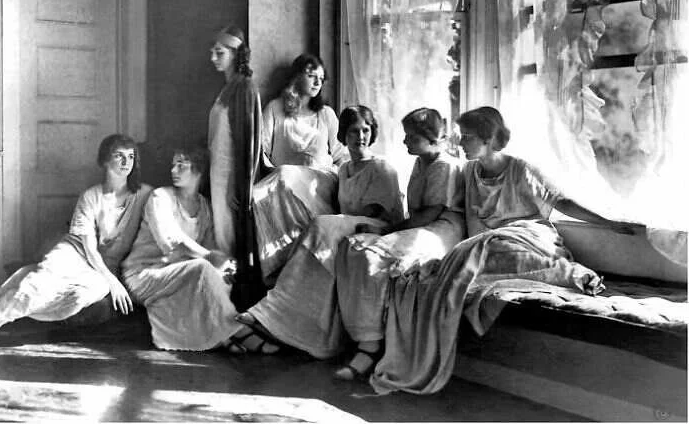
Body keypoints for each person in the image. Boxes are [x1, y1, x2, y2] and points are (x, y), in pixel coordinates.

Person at [369, 106, 639, 395]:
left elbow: (561, 202)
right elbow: (448, 211)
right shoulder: (468, 172)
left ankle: (572, 274)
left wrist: (607, 222)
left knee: (489, 248)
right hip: (490, 245)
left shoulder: (520, 169)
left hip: (530, 237)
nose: (460, 142)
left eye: (467, 137)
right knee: (470, 254)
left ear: (488, 139)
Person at [236, 105, 404, 358]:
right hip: (351, 224)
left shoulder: (381, 167)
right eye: (353, 131)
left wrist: (336, 225)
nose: (360, 136)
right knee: (312, 245)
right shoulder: (344, 170)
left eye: (366, 130)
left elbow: (380, 214)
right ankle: (282, 319)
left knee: (321, 225)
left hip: (378, 228)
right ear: (343, 135)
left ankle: (272, 311)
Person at [333, 107, 467, 381]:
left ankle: (370, 348)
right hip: (423, 225)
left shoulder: (444, 166)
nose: (405, 141)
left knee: (373, 254)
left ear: (431, 138)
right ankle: (364, 336)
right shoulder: (421, 162)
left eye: (412, 137)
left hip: (443, 230)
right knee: (354, 247)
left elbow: (430, 214)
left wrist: (386, 231)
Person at [121, 146, 278, 353]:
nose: (173, 170)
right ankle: (238, 331)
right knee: (203, 268)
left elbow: (212, 247)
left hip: (178, 274)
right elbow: (171, 242)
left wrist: (223, 266)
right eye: (173, 165)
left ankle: (220, 336)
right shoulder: (160, 197)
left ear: (199, 170)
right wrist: (210, 256)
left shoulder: (205, 207)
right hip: (143, 274)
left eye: (181, 165)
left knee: (220, 277)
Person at [0, 134, 152, 331]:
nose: (126, 162)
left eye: (131, 156)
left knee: (86, 294)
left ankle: (12, 309)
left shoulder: (145, 195)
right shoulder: (90, 196)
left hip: (103, 268)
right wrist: (114, 283)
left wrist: (113, 280)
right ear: (104, 160)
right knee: (37, 285)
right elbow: (89, 249)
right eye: (119, 155)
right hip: (75, 253)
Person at [253, 53, 349, 285]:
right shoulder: (275, 108)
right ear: (296, 76)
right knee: (259, 195)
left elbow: (341, 155)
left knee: (285, 176)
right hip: (283, 180)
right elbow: (260, 149)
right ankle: (282, 266)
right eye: (311, 75)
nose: (317, 82)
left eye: (321, 78)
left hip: (320, 182)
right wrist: (272, 171)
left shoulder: (326, 114)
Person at [207, 25, 263, 307]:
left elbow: (249, 141)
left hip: (231, 176)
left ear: (235, 54)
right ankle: (223, 301)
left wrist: (239, 186)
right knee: (221, 234)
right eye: (213, 52)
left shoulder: (244, 87)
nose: (213, 58)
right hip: (218, 172)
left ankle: (235, 304)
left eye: (219, 53)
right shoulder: (228, 88)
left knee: (231, 237)